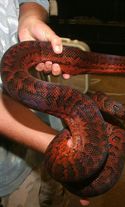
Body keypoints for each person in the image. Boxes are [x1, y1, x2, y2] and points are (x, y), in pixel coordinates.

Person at [0, 0, 89, 206]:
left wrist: (30, 17)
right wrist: (63, 149)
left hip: (42, 121)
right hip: (7, 168)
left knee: (53, 194)